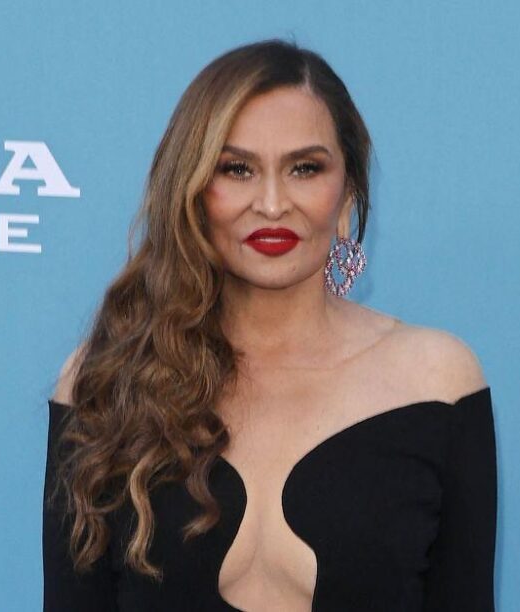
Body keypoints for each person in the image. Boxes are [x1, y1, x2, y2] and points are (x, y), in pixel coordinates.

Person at [44, 40, 495, 611]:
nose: (273, 203)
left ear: (348, 193)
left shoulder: (436, 382)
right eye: (237, 169)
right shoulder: (106, 384)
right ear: (192, 190)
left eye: (305, 168)